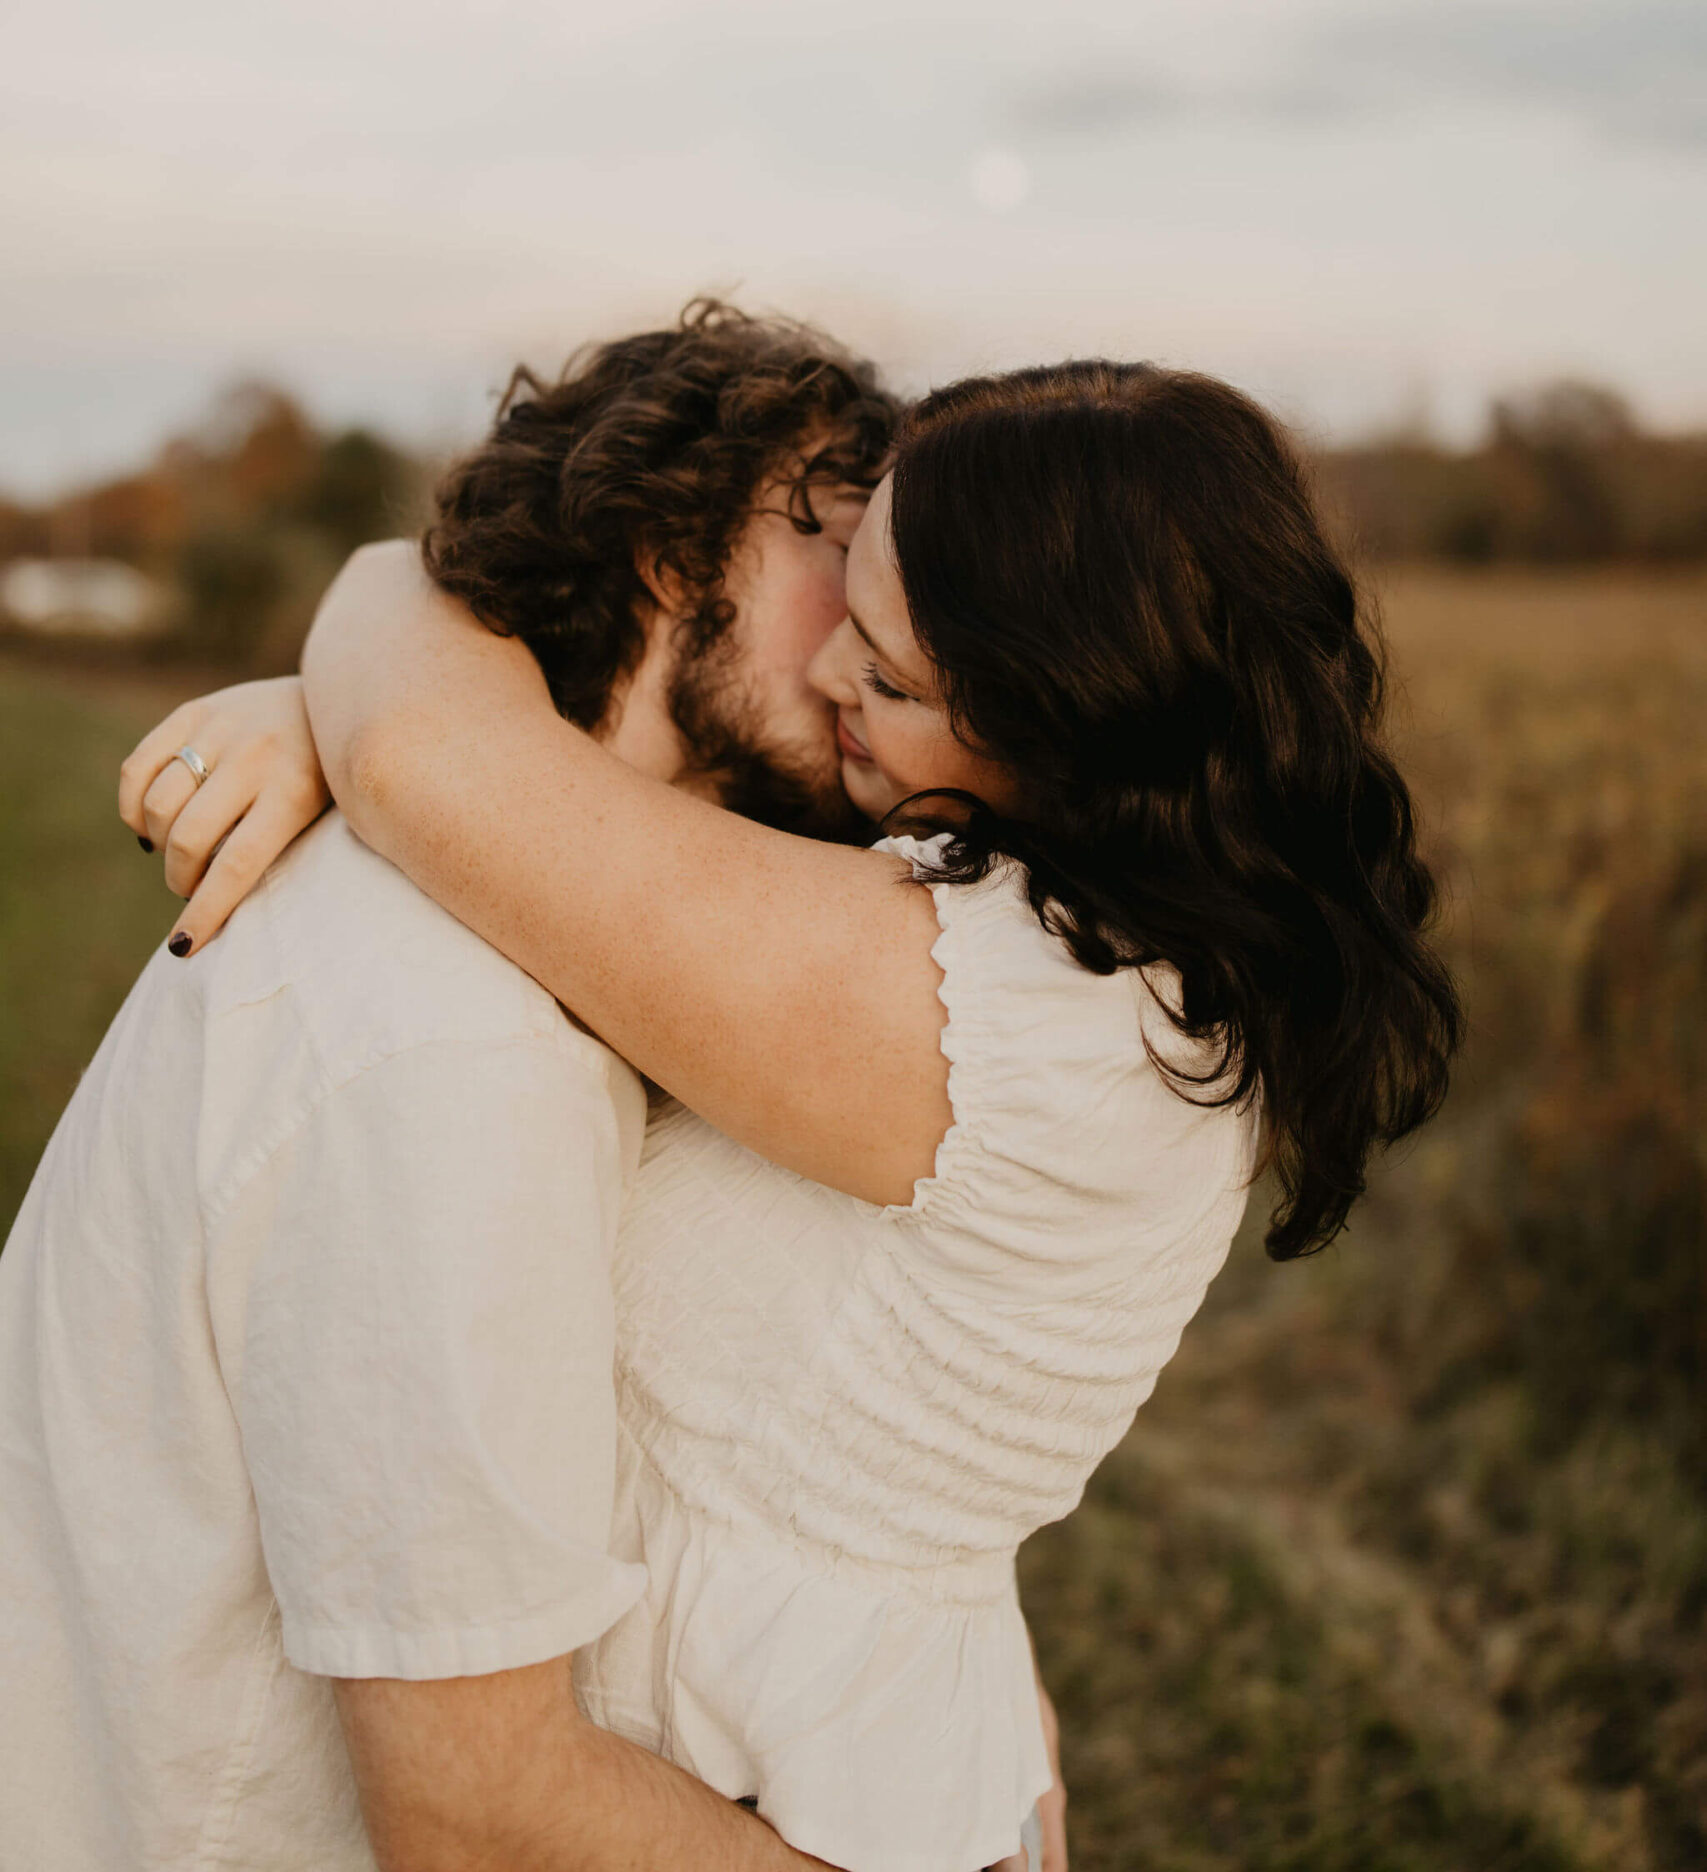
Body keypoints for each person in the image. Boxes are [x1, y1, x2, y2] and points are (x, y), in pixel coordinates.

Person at [125, 345, 1461, 1872]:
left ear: (1068, 723)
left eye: (890, 676)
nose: (833, 672)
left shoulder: (1004, 1018)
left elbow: (424, 755)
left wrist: (375, 605)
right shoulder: (1103, 953)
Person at [0, 306, 916, 1872]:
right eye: (837, 540)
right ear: (664, 546)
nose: (880, 640)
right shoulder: (460, 1044)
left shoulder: (556, 962)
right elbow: (480, 1818)